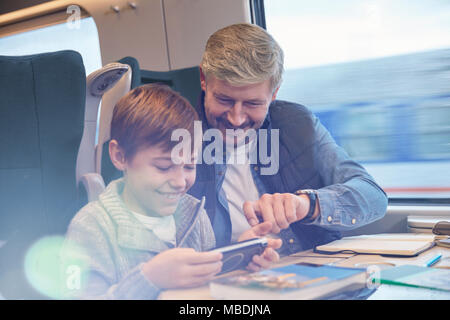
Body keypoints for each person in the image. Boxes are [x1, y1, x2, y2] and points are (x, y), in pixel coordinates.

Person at [61, 84, 281, 299]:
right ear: (120, 156)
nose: (179, 182)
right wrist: (149, 279)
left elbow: (205, 290)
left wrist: (238, 259)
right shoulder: (90, 228)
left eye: (189, 166)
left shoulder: (195, 214)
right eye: (164, 167)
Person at [188, 23, 388, 255]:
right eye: (224, 100)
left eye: (253, 103)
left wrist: (306, 204)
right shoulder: (175, 134)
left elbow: (373, 196)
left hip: (311, 269)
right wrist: (236, 254)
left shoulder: (298, 123)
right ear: (204, 79)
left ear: (274, 93)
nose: (236, 118)